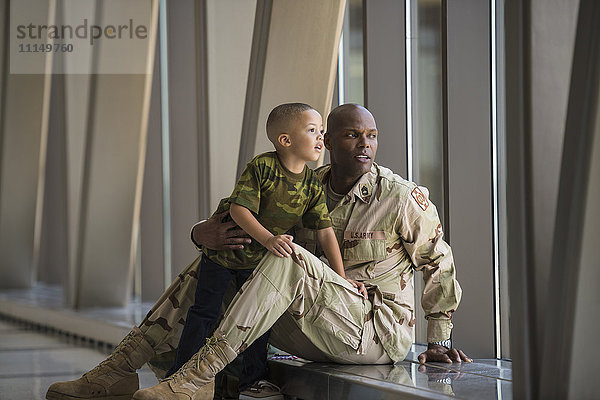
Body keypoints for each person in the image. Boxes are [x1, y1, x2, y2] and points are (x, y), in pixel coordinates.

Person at [46, 104, 470, 400]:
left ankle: (195, 377)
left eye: (372, 136)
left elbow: (439, 263)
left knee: (286, 255)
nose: (365, 144)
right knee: (224, 253)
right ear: (326, 140)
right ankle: (120, 370)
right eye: (351, 134)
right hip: (315, 321)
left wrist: (439, 339)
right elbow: (235, 216)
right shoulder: (305, 183)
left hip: (373, 332)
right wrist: (201, 234)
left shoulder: (398, 197)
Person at [165, 102, 363, 389]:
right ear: (286, 140)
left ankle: (253, 380)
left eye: (321, 131)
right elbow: (238, 211)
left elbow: (325, 232)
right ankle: (180, 374)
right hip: (223, 256)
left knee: (257, 321)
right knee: (205, 314)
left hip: (257, 262)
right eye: (312, 131)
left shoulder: (310, 184)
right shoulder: (263, 167)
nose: (321, 137)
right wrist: (269, 239)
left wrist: (341, 279)